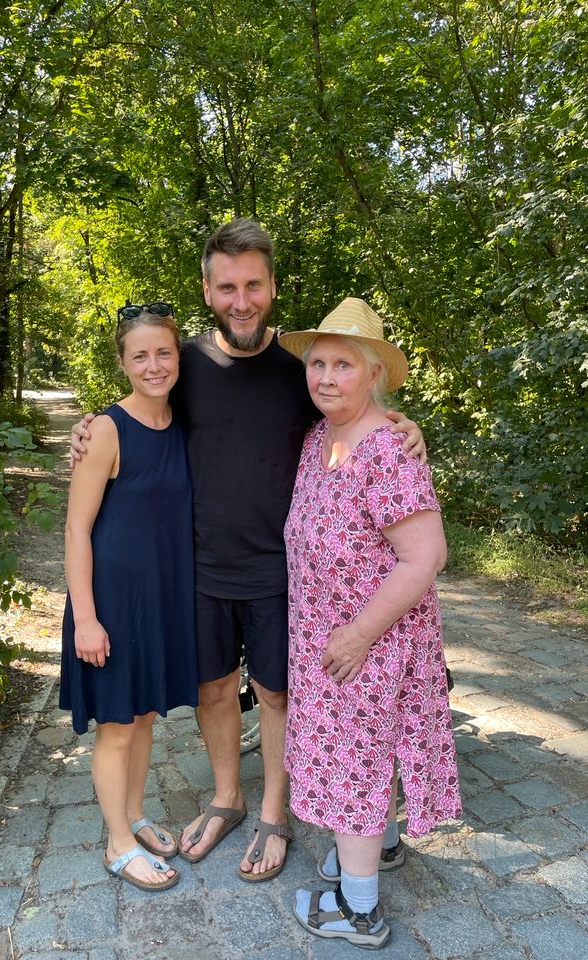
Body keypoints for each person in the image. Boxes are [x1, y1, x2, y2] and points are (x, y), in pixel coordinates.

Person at [69, 219, 426, 881]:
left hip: (281, 569)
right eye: (227, 286)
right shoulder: (186, 366)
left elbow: (352, 408)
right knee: (214, 691)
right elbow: (136, 407)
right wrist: (88, 429)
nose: (241, 300)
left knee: (277, 694)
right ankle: (227, 797)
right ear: (207, 290)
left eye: (253, 285)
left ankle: (275, 812)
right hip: (197, 568)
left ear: (271, 287)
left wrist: (404, 425)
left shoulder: (300, 368)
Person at [278, 298, 461, 948]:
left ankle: (358, 910)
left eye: (343, 364)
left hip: (368, 644)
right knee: (359, 755)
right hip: (324, 640)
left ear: (374, 372)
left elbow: (425, 557)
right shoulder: (318, 438)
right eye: (317, 362)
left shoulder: (387, 449)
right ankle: (377, 845)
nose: (325, 376)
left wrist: (358, 634)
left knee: (355, 760)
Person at [60, 304, 198, 892]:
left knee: (143, 717)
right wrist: (86, 620)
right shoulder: (108, 430)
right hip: (111, 603)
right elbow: (75, 530)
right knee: (117, 724)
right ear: (122, 362)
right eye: (139, 355)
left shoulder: (184, 423)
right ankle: (117, 843)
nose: (153, 364)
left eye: (163, 352)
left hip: (160, 598)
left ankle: (135, 815)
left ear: (178, 356)